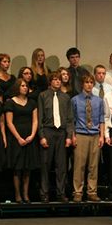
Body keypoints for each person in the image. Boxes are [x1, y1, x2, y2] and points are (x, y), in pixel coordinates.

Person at [37, 71, 74, 203]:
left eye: (59, 80)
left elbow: (70, 119)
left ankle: (60, 192)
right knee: (46, 164)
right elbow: (40, 117)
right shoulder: (43, 96)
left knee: (61, 165)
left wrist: (69, 136)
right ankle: (44, 193)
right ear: (50, 81)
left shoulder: (65, 97)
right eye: (55, 79)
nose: (58, 81)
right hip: (48, 131)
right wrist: (41, 136)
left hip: (61, 132)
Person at [5, 79, 40, 203]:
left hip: (29, 137)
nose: (25, 88)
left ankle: (26, 194)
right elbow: (9, 122)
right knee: (17, 168)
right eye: (23, 86)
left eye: (26, 86)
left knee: (27, 168)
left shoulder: (32, 102)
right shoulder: (10, 102)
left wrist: (32, 135)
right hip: (16, 138)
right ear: (17, 87)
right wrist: (18, 138)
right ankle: (17, 194)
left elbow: (35, 120)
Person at [71, 74, 105, 202]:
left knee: (93, 166)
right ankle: (78, 192)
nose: (89, 84)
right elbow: (72, 120)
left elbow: (101, 119)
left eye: (91, 82)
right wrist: (73, 136)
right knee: (79, 165)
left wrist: (102, 135)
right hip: (81, 134)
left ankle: (92, 191)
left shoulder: (98, 101)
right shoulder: (75, 100)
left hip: (95, 134)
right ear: (82, 84)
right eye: (87, 82)